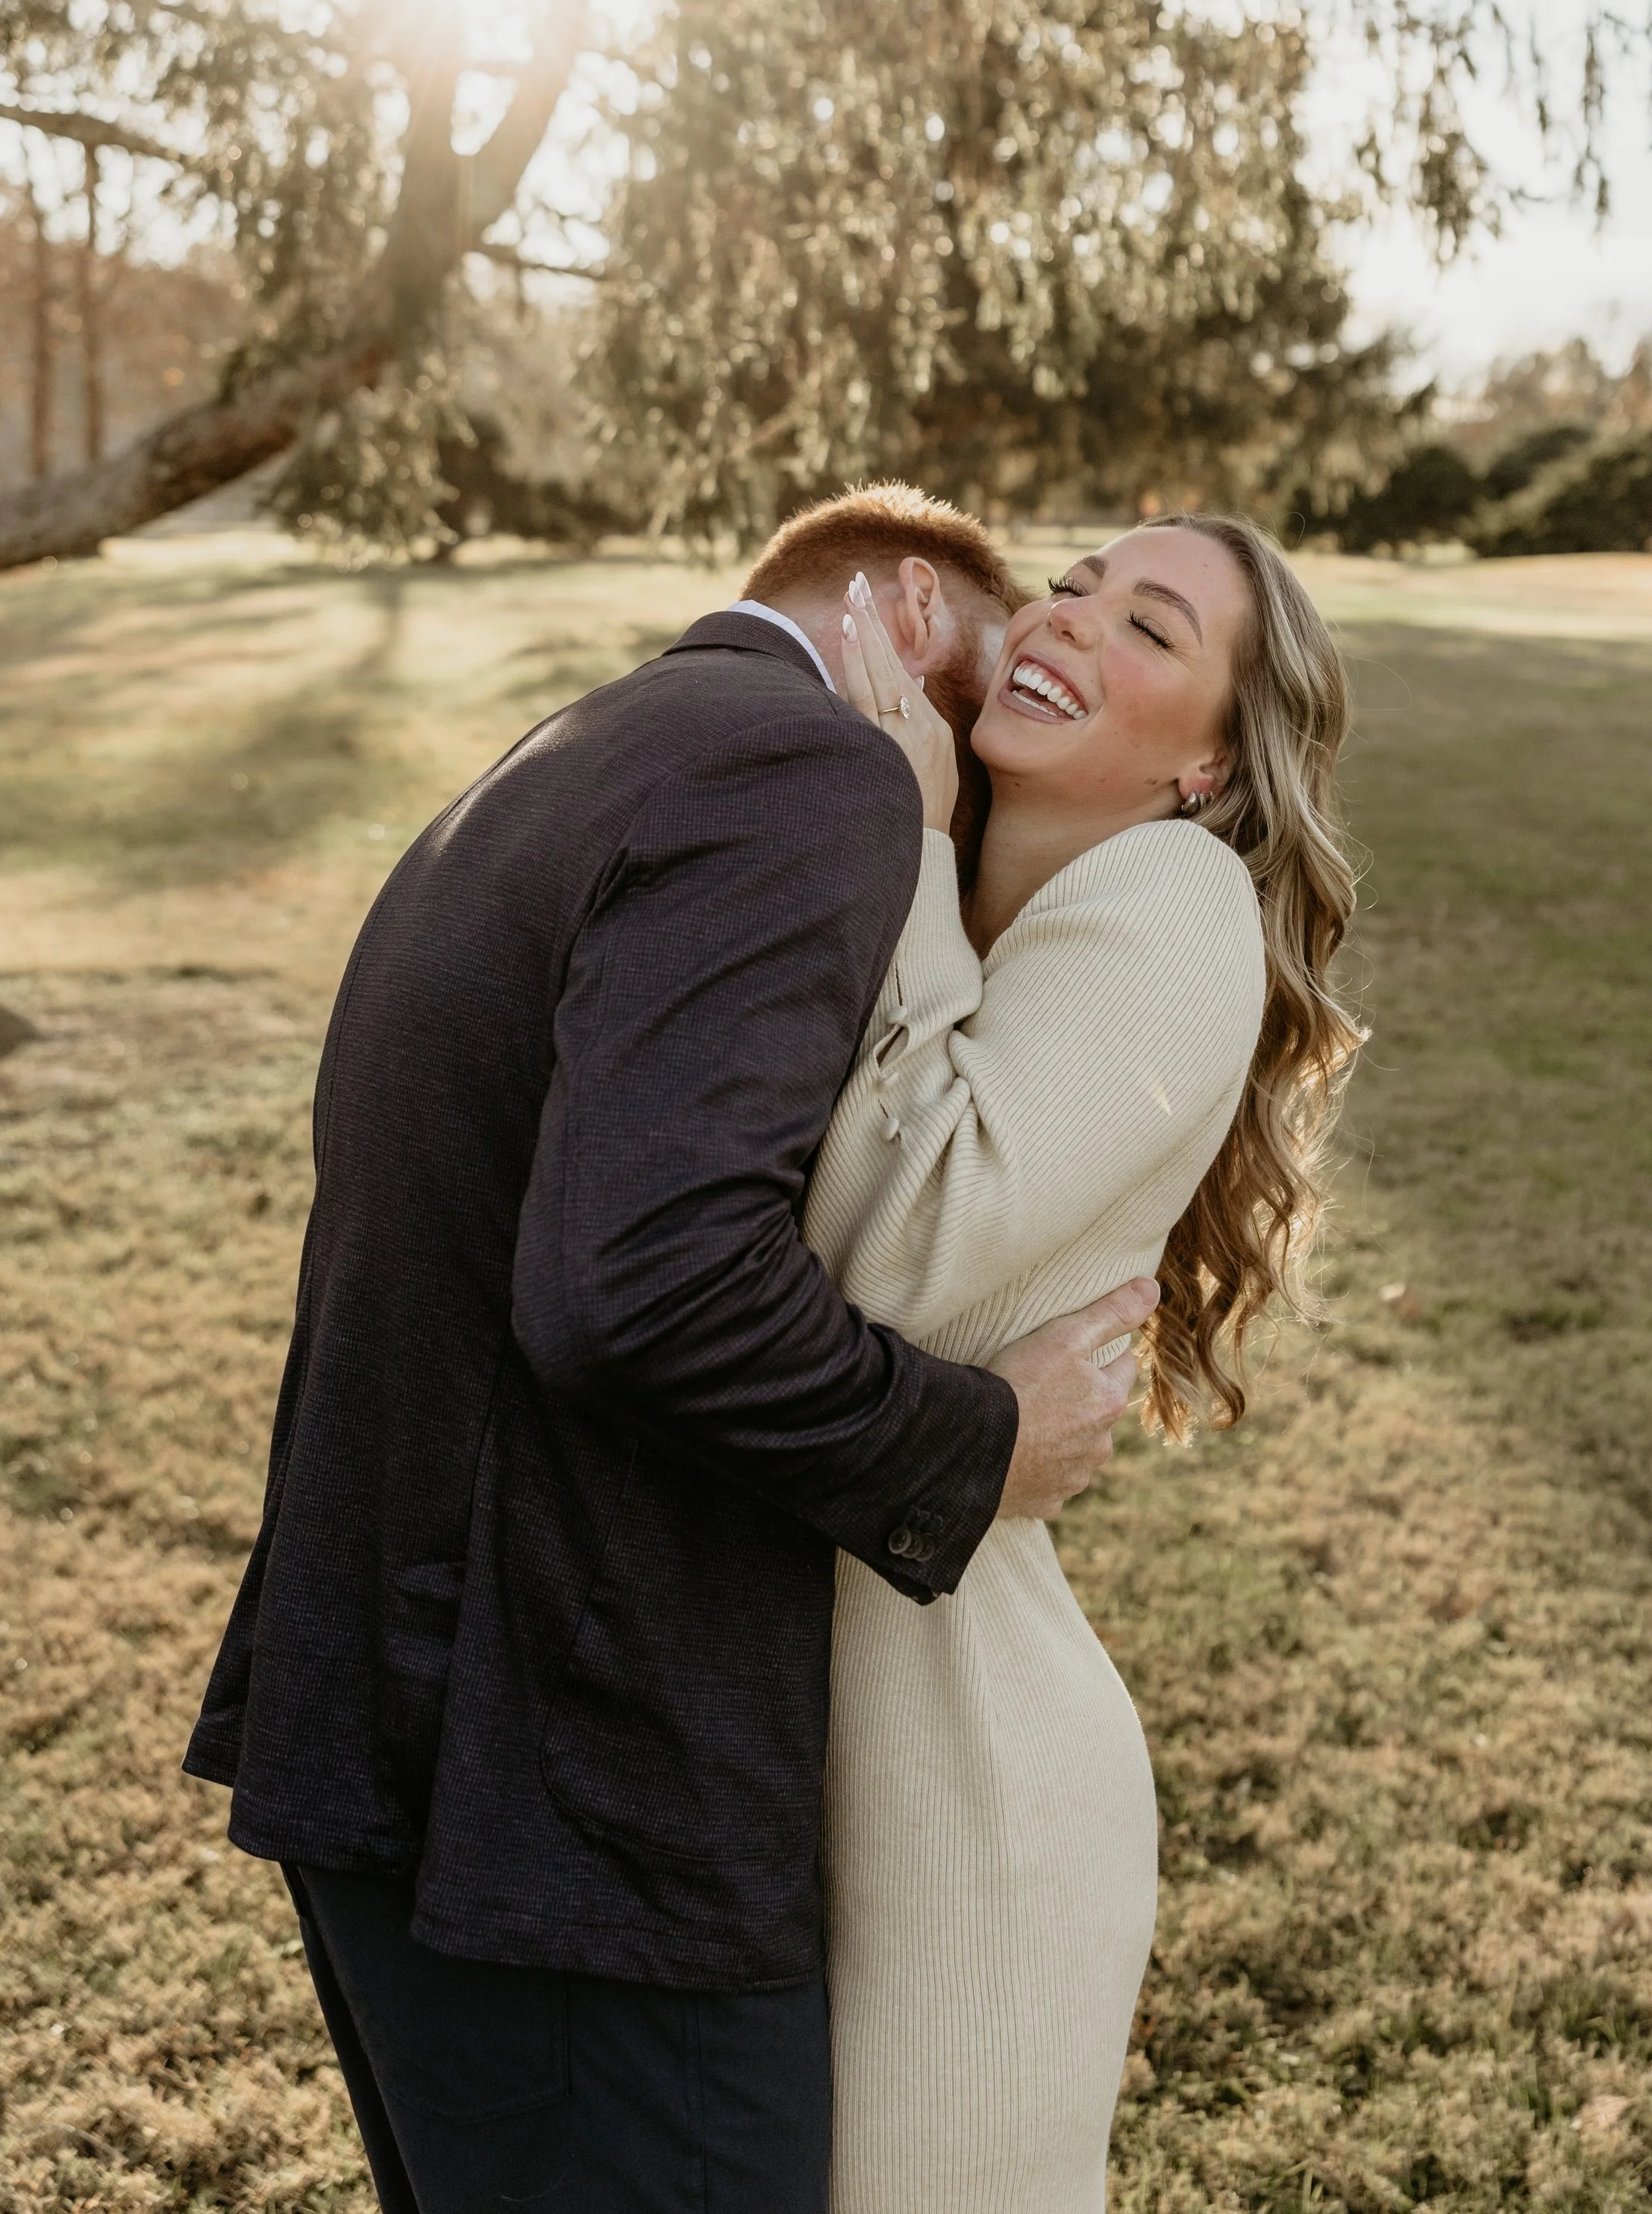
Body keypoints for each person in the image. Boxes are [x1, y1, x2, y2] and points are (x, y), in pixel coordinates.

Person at [183, 484, 1157, 2214]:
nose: (986, 759)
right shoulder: (815, 769)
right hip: (564, 1787)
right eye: (1001, 671)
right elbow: (645, 1276)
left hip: (412, 1736)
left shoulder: (581, 743)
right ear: (914, 614)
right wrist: (970, 1446)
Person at [810, 515, 1360, 2213]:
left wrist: (902, 836)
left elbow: (896, 1259)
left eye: (1149, 625)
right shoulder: (995, 907)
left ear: (1207, 762)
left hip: (957, 1793)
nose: (1064, 620)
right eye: (1073, 581)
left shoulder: (1167, 893)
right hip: (819, 1735)